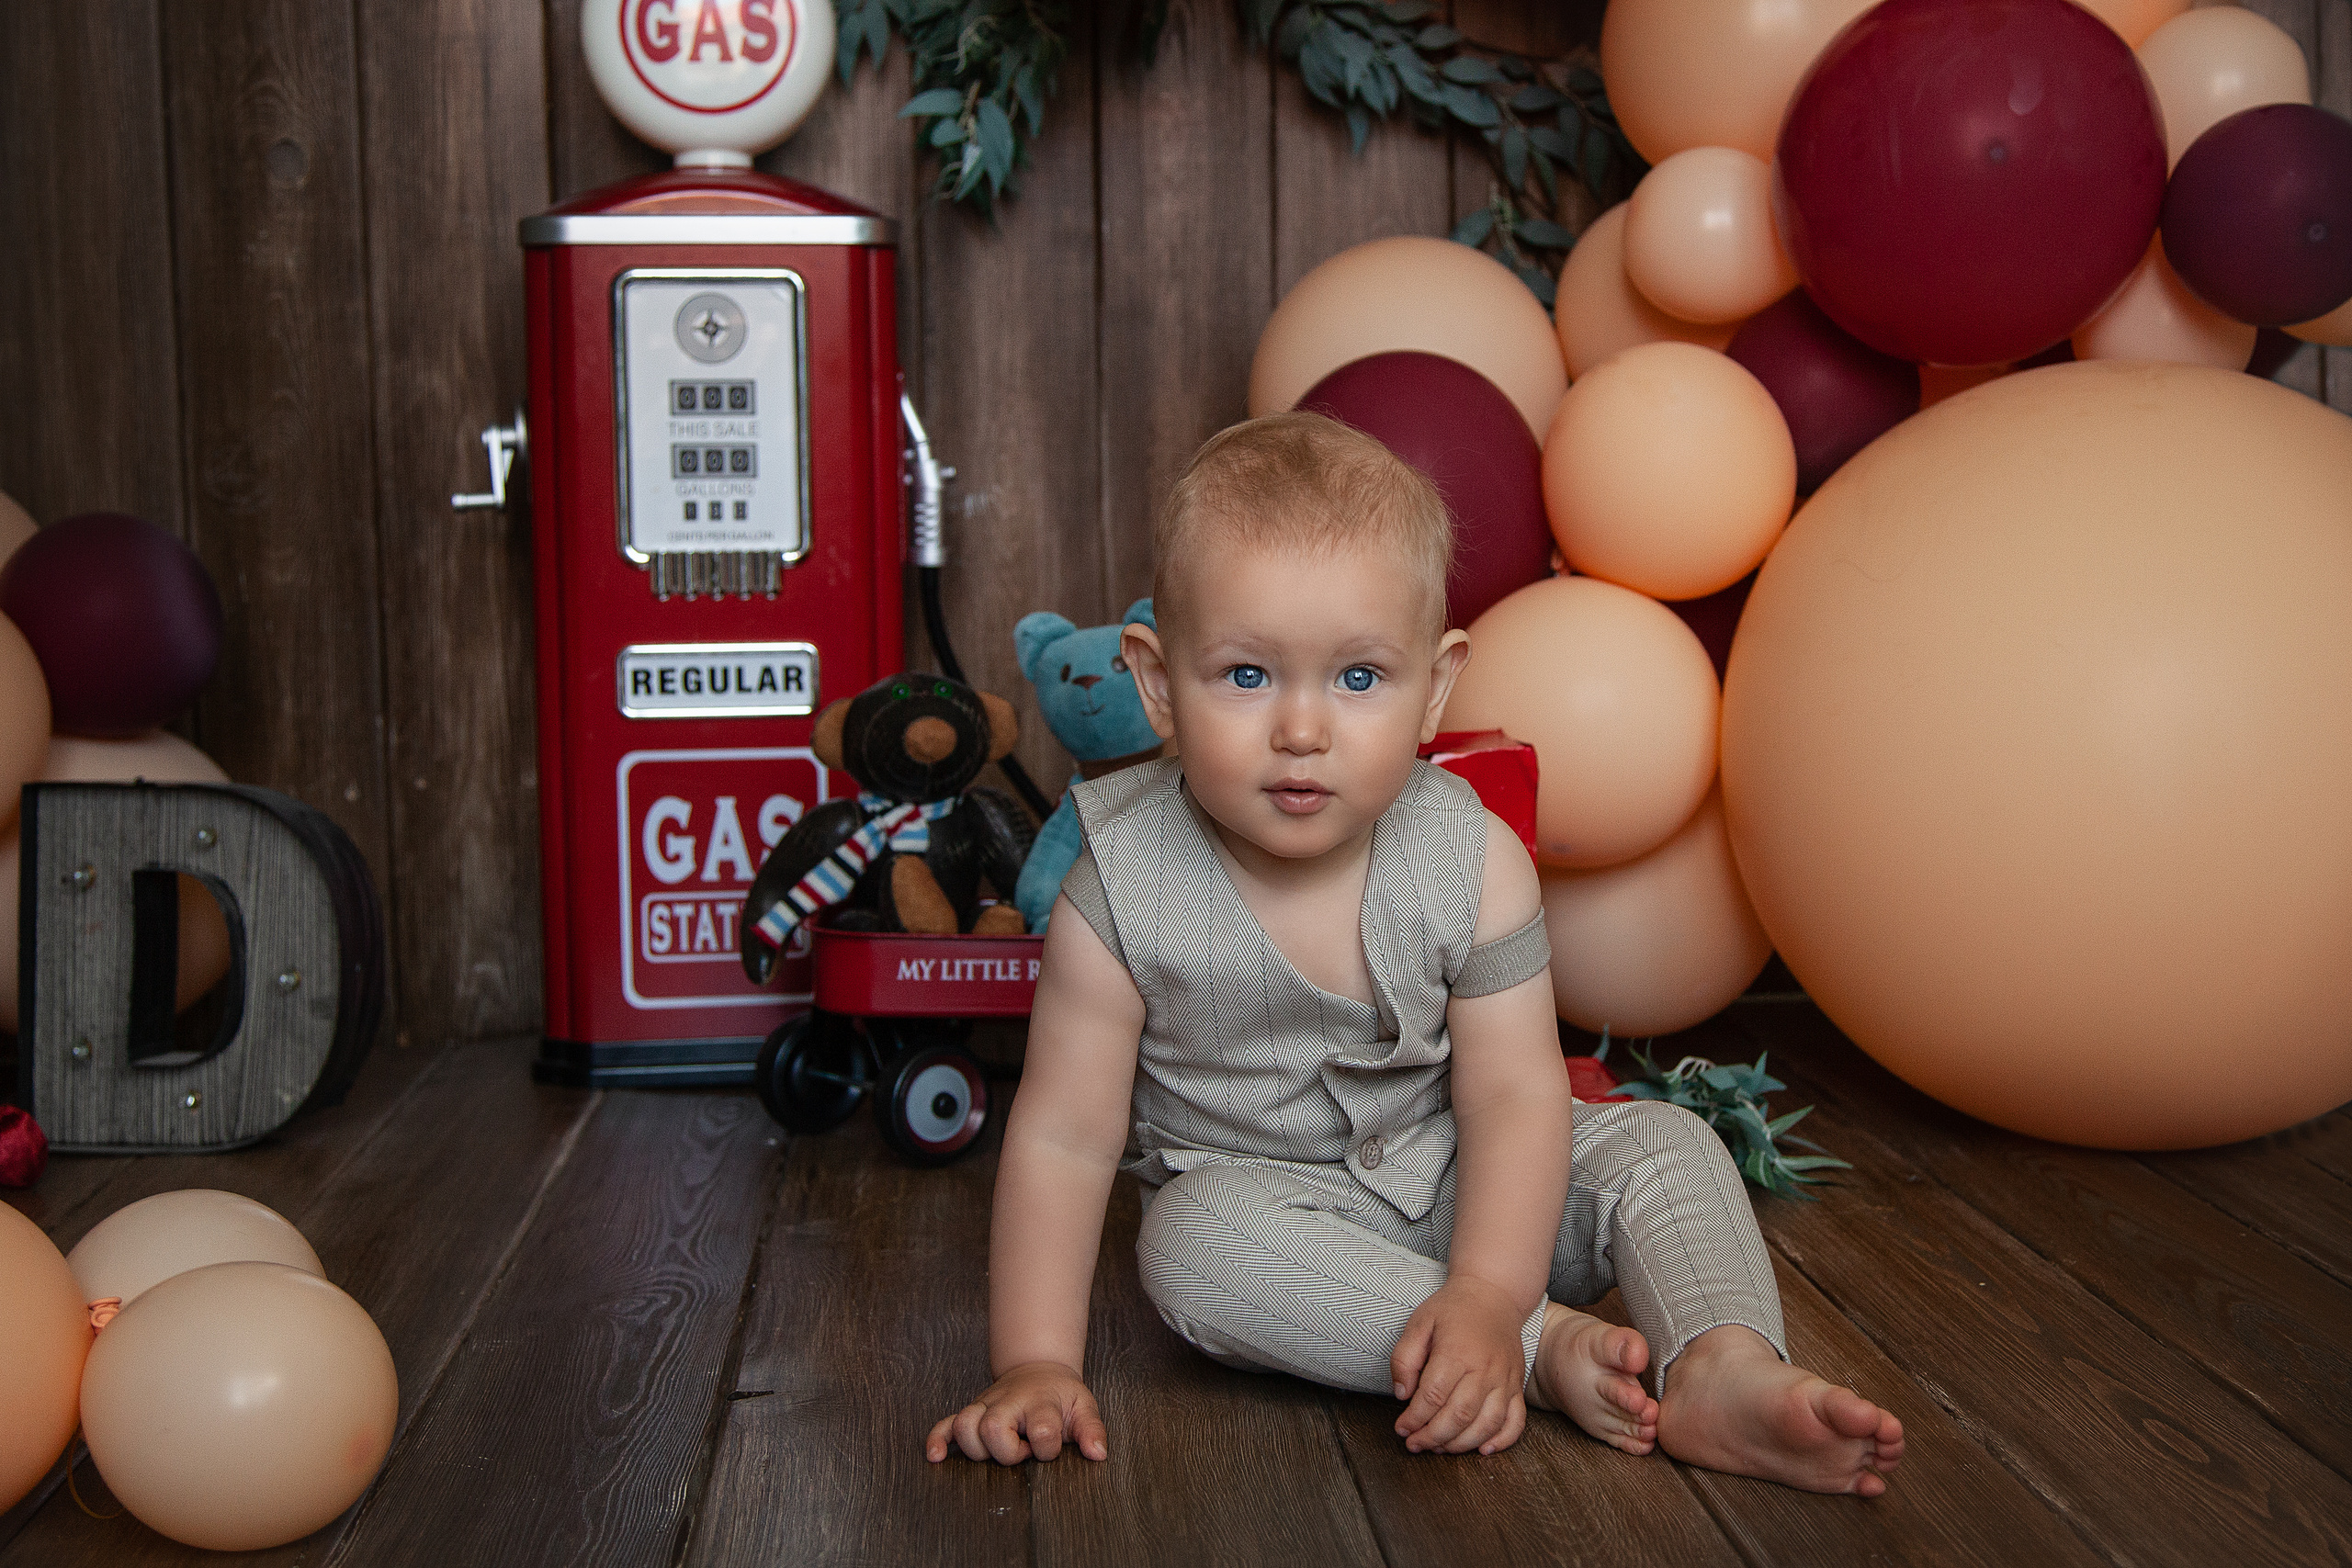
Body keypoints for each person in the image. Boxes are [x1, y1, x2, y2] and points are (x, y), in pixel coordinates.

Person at [926, 412, 1904, 1492]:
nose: (1303, 728)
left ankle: (1719, 1363)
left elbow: (1514, 1100)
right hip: (1277, 1219)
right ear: (1158, 683)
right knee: (1187, 1251)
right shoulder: (1117, 886)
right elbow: (1064, 1138)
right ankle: (1540, 1353)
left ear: (1434, 690)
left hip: (1478, 1184)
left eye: (1357, 680)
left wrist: (1487, 1284)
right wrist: (1034, 1361)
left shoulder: (1472, 860)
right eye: (1247, 676)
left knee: (1659, 1146)